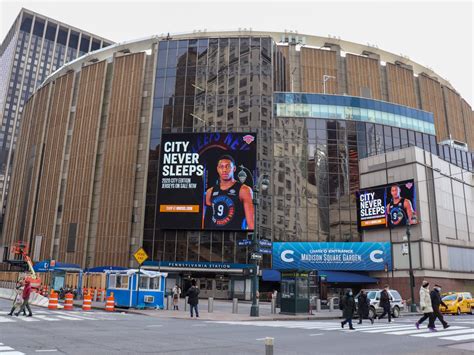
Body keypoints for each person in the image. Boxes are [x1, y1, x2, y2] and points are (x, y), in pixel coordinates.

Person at [204, 155, 254, 230]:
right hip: (213, 237)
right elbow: (206, 220)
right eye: (221, 166)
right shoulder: (210, 191)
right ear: (217, 169)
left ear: (234, 169)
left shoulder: (244, 190)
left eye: (228, 166)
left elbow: (251, 223)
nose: (224, 170)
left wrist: (252, 240)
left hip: (235, 237)